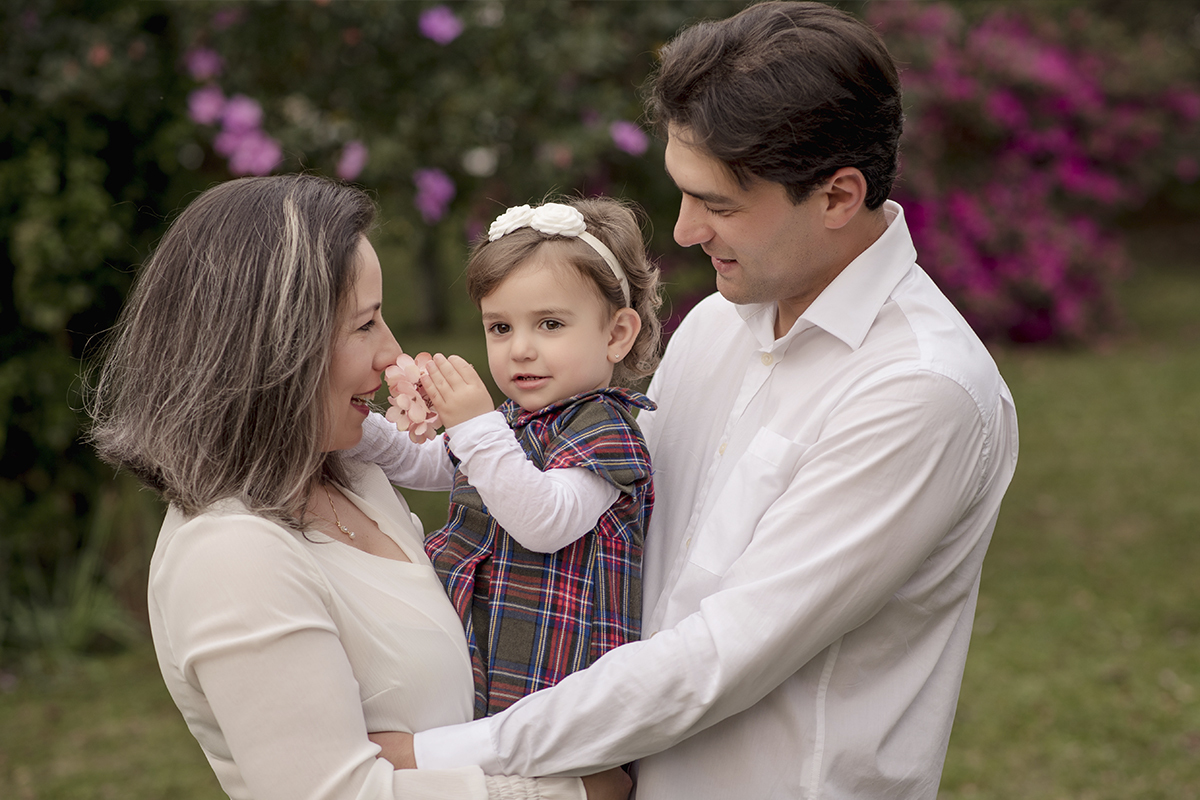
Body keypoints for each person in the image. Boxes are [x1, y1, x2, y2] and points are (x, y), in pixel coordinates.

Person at [383, 3, 1020, 798]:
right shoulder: (716, 324)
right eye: (682, 194)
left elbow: (722, 653)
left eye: (717, 204)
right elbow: (613, 537)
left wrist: (446, 752)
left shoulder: (920, 391)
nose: (684, 231)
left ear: (837, 195)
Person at [86, 174, 629, 800]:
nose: (392, 351)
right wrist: (576, 792)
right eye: (366, 324)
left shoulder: (351, 472)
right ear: (276, 348)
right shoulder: (231, 557)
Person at [352, 197, 662, 718]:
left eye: (550, 325)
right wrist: (363, 428)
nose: (520, 349)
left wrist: (476, 427)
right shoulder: (515, 423)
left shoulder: (608, 430)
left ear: (616, 334)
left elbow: (544, 520)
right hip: (495, 656)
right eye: (500, 327)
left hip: (557, 681)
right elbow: (435, 467)